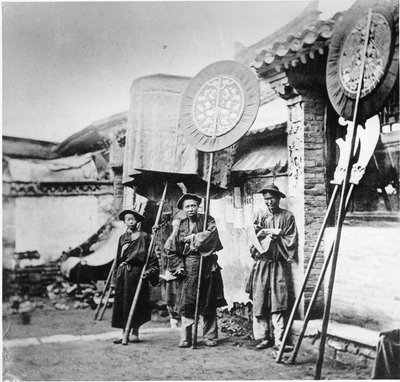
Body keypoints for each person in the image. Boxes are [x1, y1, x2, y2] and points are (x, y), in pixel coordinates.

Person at [166, 193, 227, 348]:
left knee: (208, 300)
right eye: (187, 206)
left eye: (193, 205)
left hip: (207, 264)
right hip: (189, 266)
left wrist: (195, 237)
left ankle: (210, 335)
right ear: (183, 209)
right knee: (187, 302)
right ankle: (186, 336)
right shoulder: (180, 225)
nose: (191, 209)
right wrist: (178, 266)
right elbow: (172, 250)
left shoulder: (208, 219)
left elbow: (212, 236)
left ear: (198, 206)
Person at [246, 184, 298, 351]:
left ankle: (279, 340)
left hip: (278, 265)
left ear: (279, 198)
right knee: (260, 301)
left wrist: (279, 236)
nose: (269, 202)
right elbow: (253, 239)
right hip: (261, 264)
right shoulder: (259, 215)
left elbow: (291, 241)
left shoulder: (288, 216)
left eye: (272, 198)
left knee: (278, 301)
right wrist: (264, 235)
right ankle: (263, 337)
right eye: (266, 199)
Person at [111, 209, 159, 345]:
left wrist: (149, 271)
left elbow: (152, 257)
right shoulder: (122, 238)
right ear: (124, 222)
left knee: (137, 301)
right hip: (124, 273)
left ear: (137, 221)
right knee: (122, 302)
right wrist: (115, 277)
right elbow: (118, 259)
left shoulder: (145, 236)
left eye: (133, 219)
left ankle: (135, 332)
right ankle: (124, 332)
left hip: (138, 273)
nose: (131, 221)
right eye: (128, 219)